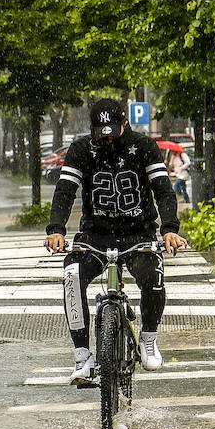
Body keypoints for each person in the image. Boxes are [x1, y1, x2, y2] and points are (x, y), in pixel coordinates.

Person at [44, 98, 188, 386]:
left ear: (125, 124)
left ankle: (148, 338)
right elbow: (65, 190)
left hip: (138, 233)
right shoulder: (81, 149)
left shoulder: (144, 146)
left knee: (153, 278)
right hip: (95, 234)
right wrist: (56, 229)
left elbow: (163, 190)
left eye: (113, 131)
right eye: (101, 133)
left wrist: (169, 229)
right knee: (71, 275)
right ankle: (82, 357)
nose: (107, 138)